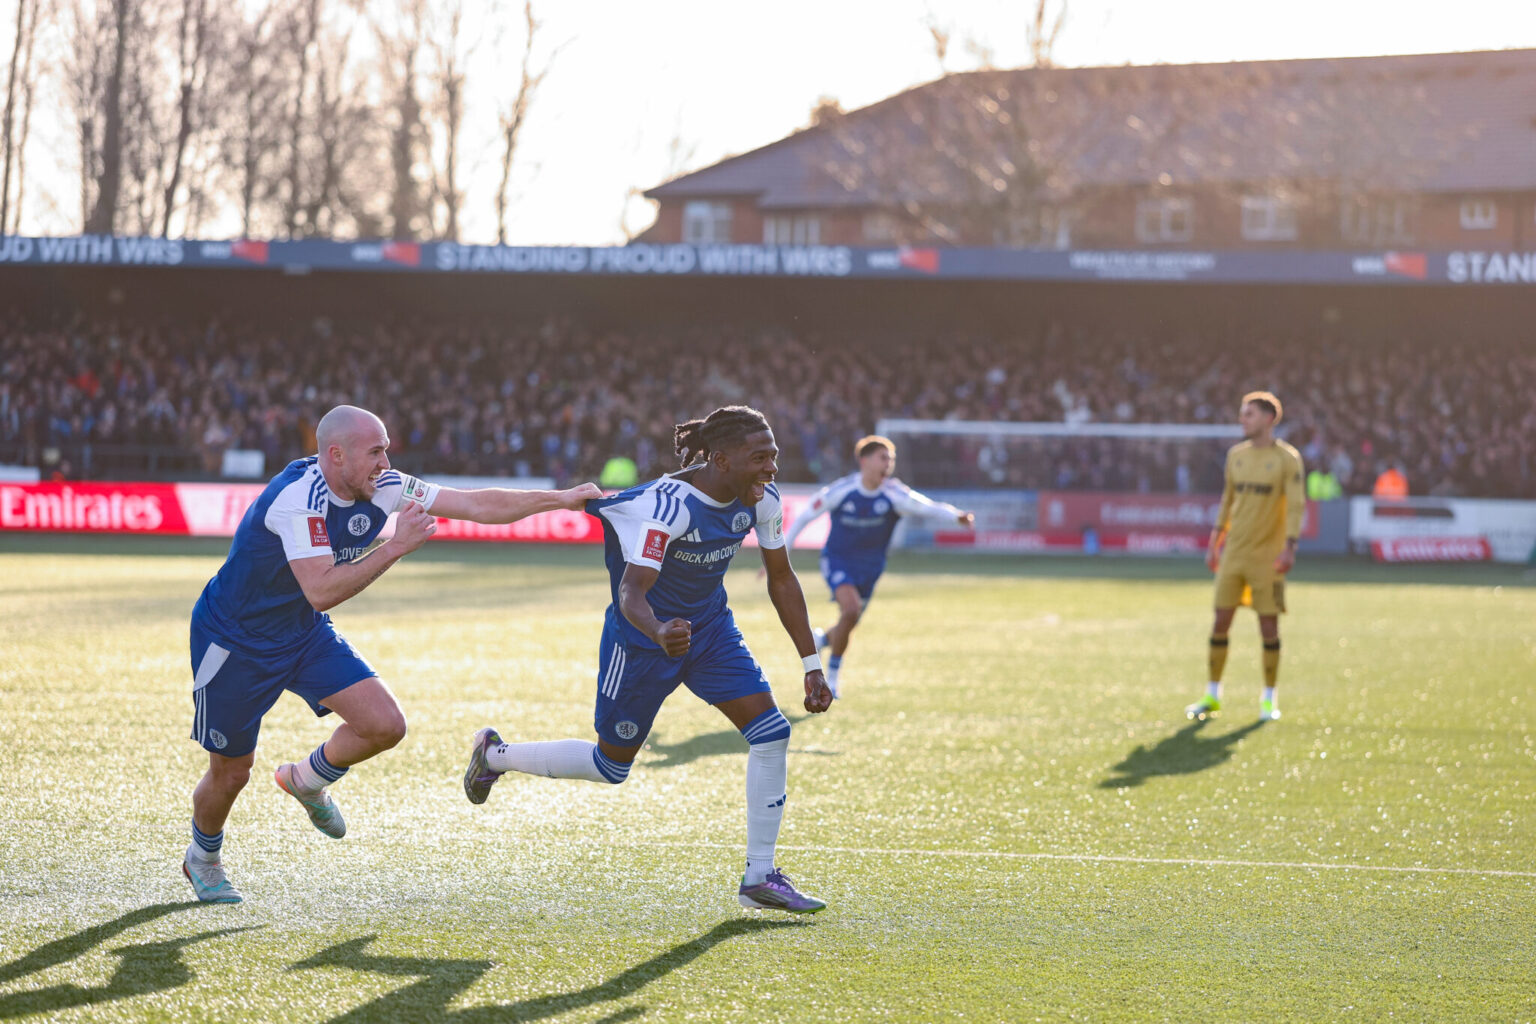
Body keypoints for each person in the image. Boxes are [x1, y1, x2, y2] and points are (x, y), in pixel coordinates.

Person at [183, 404, 600, 903]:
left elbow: (477, 505)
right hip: (235, 643)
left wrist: (561, 498)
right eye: (375, 451)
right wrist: (395, 546)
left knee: (385, 725)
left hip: (300, 632)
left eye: (386, 448)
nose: (386, 461)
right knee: (232, 771)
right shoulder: (298, 500)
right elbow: (321, 590)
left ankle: (306, 779)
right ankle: (203, 858)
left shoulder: (383, 483)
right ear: (335, 456)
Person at [462, 405, 834, 914]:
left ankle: (759, 876)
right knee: (609, 768)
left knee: (772, 733)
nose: (772, 468)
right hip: (639, 642)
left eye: (774, 455)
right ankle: (495, 755)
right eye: (760, 457)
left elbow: (782, 579)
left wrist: (811, 664)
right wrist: (659, 630)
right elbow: (630, 593)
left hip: (709, 632)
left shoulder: (762, 499)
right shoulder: (669, 508)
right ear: (721, 460)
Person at [781, 435, 974, 698]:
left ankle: (822, 640)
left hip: (871, 569)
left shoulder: (894, 494)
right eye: (883, 458)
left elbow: (927, 507)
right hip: (838, 561)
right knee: (850, 610)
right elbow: (805, 516)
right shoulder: (842, 490)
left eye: (891, 459)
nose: (889, 464)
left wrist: (956, 517)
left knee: (849, 622)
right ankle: (832, 677)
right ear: (864, 460)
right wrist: (781, 555)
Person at [1188, 392, 1304, 724]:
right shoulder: (1235, 456)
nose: (1243, 420)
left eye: (1249, 414)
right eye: (1242, 414)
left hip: (1267, 557)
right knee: (1220, 621)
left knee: (1268, 626)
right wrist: (1215, 541)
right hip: (1233, 554)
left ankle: (1269, 699)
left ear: (1268, 418)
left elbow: (1296, 505)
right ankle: (1212, 694)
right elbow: (1227, 501)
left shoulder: (1287, 459)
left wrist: (1290, 546)